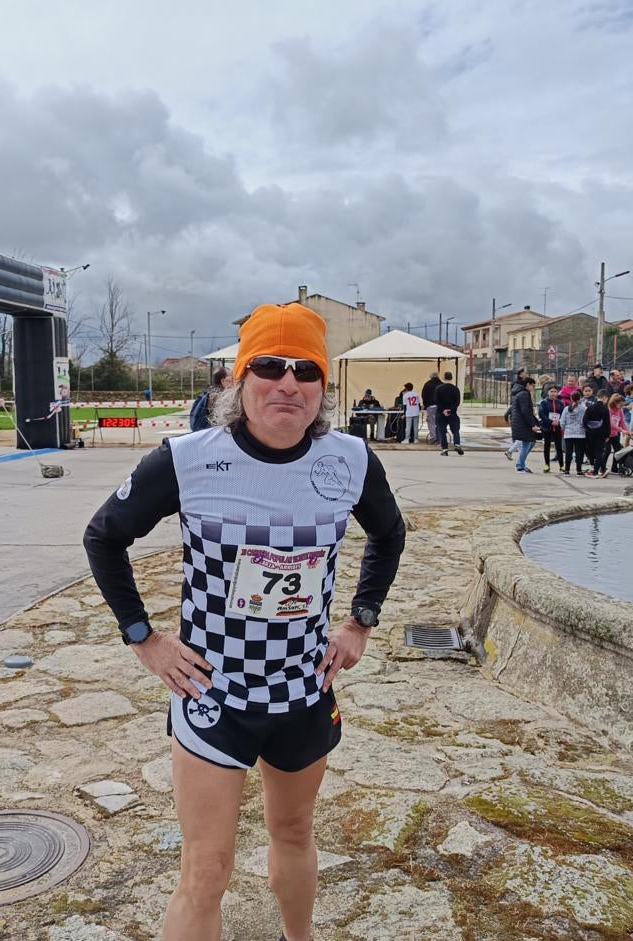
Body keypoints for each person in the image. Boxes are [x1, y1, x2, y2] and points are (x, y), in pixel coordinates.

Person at [83, 301, 405, 941]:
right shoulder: (186, 459)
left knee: (294, 831)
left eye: (305, 370)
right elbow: (103, 536)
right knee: (206, 868)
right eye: (268, 366)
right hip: (214, 692)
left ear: (323, 387)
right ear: (239, 380)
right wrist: (143, 638)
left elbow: (389, 535)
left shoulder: (350, 461)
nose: (288, 383)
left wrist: (360, 623)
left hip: (302, 687)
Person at [508, 375, 539, 473]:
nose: (533, 388)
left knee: (530, 442)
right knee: (527, 443)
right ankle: (520, 465)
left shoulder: (519, 393)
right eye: (533, 386)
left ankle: (521, 463)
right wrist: (532, 425)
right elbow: (525, 411)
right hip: (522, 423)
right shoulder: (524, 394)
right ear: (528, 384)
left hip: (519, 422)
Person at [581, 382, 611, 477]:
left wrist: (588, 430)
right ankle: (598, 471)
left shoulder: (590, 408)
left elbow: (584, 421)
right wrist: (607, 435)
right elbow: (607, 423)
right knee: (599, 452)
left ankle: (597, 470)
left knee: (592, 452)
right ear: (604, 397)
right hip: (601, 433)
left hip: (591, 433)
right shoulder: (605, 409)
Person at [435, 371, 464, 455]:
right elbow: (457, 402)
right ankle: (457, 444)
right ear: (452, 378)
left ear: (444, 378)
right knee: (455, 430)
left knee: (442, 431)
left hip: (441, 413)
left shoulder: (438, 388)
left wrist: (443, 410)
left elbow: (436, 401)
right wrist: (450, 410)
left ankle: (444, 449)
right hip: (452, 413)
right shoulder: (455, 389)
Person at [538, 384, 565, 473]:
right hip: (547, 428)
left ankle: (561, 465)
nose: (553, 393)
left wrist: (559, 421)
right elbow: (542, 414)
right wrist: (551, 422)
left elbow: (563, 414)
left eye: (555, 392)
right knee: (547, 446)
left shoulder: (560, 403)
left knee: (559, 447)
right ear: (548, 392)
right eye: (551, 391)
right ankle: (547, 465)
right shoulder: (543, 402)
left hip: (557, 428)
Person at [561, 390, 587, 475]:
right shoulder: (584, 408)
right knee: (579, 452)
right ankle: (579, 470)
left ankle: (567, 469)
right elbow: (586, 420)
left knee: (568, 452)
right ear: (580, 398)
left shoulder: (566, 409)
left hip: (569, 433)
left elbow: (562, 422)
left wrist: (564, 429)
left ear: (571, 398)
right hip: (580, 433)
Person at [606, 394, 629, 467]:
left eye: (623, 405)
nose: (621, 406)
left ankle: (614, 467)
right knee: (607, 451)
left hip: (615, 434)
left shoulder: (620, 410)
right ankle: (602, 467)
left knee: (618, 451)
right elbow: (611, 424)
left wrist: (628, 431)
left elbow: (622, 422)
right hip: (607, 434)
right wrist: (622, 430)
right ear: (615, 403)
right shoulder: (609, 410)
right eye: (620, 405)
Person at [422, 371, 441, 445]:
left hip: (431, 406)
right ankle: (440, 437)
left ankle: (434, 438)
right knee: (440, 422)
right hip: (440, 406)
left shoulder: (427, 384)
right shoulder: (441, 384)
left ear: (431, 377)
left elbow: (424, 395)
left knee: (431, 422)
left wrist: (425, 405)